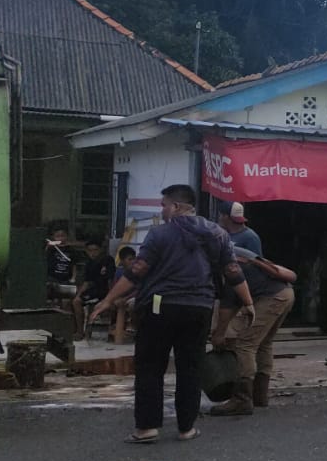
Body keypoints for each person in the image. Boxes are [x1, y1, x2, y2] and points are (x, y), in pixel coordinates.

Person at [90, 184, 252, 444]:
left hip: (159, 307)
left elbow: (136, 272)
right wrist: (248, 301)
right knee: (190, 369)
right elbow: (232, 271)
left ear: (176, 206)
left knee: (150, 367)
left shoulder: (160, 234)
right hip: (199, 307)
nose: (162, 210)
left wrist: (108, 299)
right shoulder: (218, 234)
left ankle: (147, 428)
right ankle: (186, 428)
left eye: (164, 205)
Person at [208, 246, 298, 416]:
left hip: (271, 296)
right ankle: (259, 395)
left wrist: (219, 334)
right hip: (284, 292)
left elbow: (227, 306)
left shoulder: (224, 264)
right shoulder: (235, 253)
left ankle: (242, 399)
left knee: (245, 344)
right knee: (264, 343)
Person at [75, 237, 117, 340]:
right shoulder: (89, 263)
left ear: (100, 250)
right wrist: (78, 295)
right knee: (76, 302)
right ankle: (80, 331)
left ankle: (112, 329)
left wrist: (110, 298)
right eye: (90, 251)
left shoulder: (108, 260)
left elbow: (110, 281)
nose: (93, 253)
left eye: (95, 250)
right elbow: (86, 282)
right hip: (94, 291)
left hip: (105, 291)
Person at [111, 246, 138, 344]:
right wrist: (115, 298)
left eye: (134, 258)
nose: (133, 261)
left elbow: (139, 290)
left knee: (132, 305)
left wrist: (125, 298)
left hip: (134, 298)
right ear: (122, 261)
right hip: (122, 298)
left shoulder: (138, 271)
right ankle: (116, 328)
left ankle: (133, 325)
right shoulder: (119, 272)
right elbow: (115, 288)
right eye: (129, 259)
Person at [44, 227, 77, 304]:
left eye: (63, 236)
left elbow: (74, 265)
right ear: (53, 237)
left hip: (66, 278)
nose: (61, 238)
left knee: (66, 300)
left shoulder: (71, 250)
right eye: (58, 236)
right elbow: (44, 256)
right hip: (53, 277)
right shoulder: (51, 249)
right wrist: (49, 245)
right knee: (53, 299)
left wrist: (73, 278)